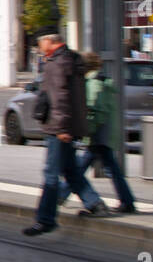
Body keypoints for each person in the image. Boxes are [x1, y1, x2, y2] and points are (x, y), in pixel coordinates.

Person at [24, 27, 108, 236]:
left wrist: (61, 128)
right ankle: (95, 204)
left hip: (58, 128)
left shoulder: (58, 62)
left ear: (49, 41)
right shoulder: (70, 59)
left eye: (40, 43)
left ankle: (46, 219)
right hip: (66, 126)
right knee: (70, 170)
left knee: (51, 174)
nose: (39, 47)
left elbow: (61, 98)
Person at [57, 52, 136, 214]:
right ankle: (127, 201)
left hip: (97, 133)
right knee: (106, 167)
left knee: (79, 167)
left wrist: (86, 129)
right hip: (102, 133)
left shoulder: (94, 83)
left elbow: (94, 110)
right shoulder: (100, 80)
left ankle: (61, 195)